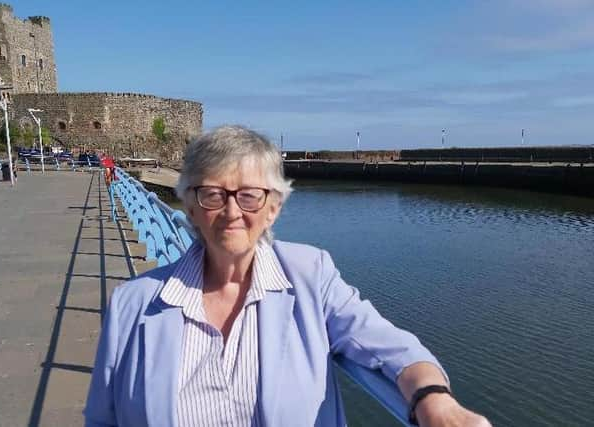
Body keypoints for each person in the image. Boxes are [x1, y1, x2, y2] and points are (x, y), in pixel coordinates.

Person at [84, 125, 491, 427]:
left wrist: (433, 399)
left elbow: (389, 345)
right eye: (212, 194)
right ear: (189, 206)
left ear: (273, 207)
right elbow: (103, 419)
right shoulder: (132, 304)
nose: (231, 212)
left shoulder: (309, 275)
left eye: (249, 195)